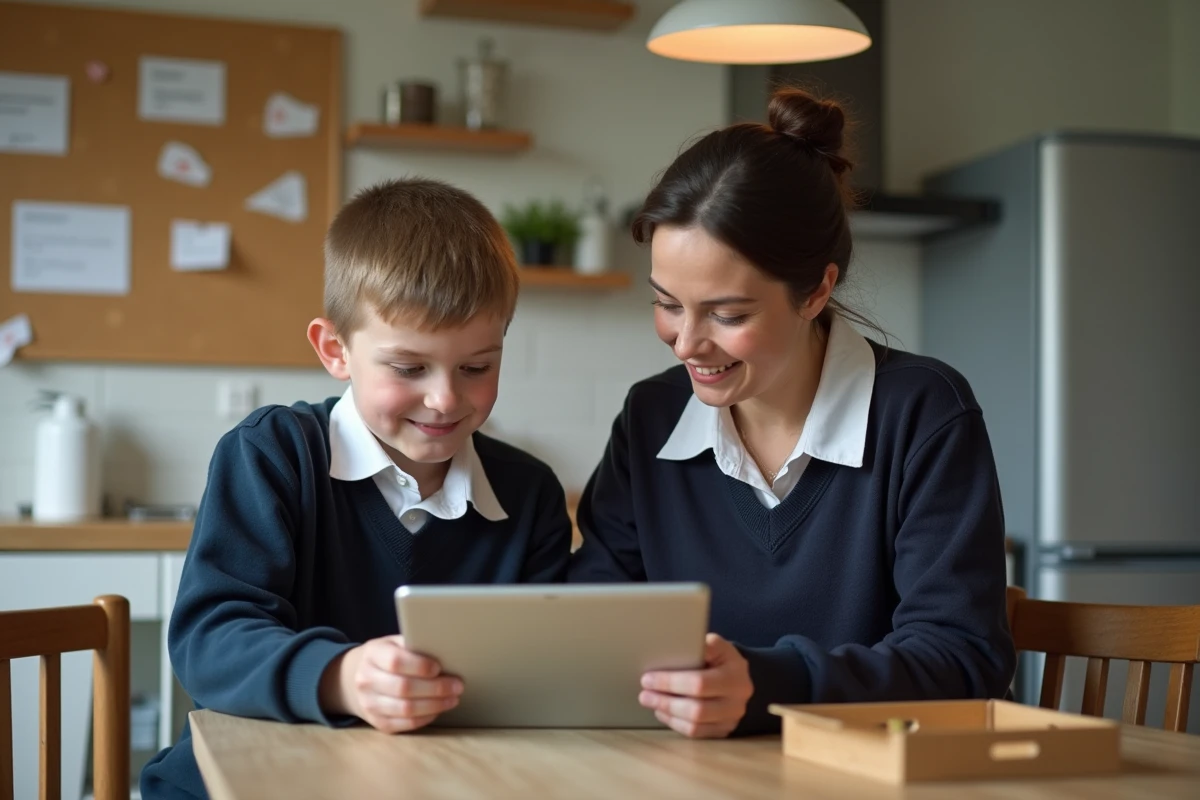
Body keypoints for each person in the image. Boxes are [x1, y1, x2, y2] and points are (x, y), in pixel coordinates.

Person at [569, 87, 1016, 738]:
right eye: (667, 303)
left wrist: (771, 683)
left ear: (816, 291)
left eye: (728, 314)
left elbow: (963, 658)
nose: (686, 342)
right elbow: (594, 616)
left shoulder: (923, 413)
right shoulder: (651, 415)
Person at [142, 179, 573, 798]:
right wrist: (339, 675)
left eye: (477, 367)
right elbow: (210, 640)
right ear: (335, 350)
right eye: (409, 368)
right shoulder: (273, 453)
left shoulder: (528, 494)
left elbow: (545, 671)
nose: (446, 398)